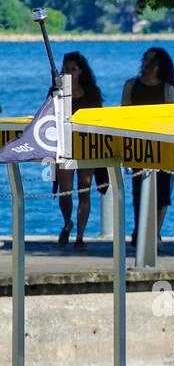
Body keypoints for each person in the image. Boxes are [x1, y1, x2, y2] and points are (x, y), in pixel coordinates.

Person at [122, 48, 174, 247]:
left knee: (163, 195)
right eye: (146, 60)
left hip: (162, 150)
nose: (148, 65)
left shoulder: (167, 88)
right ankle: (140, 232)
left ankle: (154, 233)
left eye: (153, 62)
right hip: (138, 148)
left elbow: (172, 121)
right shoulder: (131, 86)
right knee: (139, 193)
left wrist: (173, 153)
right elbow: (124, 116)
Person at [55, 53, 103, 251]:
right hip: (65, 147)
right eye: (66, 69)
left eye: (73, 69)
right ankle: (67, 223)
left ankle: (80, 236)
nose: (69, 73)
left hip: (87, 146)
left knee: (85, 190)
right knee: (65, 192)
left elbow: (99, 119)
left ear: (81, 71)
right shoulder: (57, 92)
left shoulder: (92, 93)